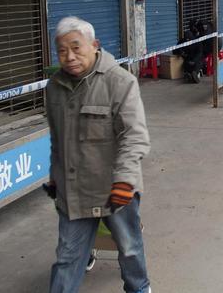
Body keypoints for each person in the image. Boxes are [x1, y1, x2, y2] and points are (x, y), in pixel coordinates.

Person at [45, 16, 151, 293]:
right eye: (62, 51)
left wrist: (124, 181)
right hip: (74, 190)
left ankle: (139, 289)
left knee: (129, 248)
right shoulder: (54, 87)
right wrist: (55, 177)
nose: (69, 57)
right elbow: (57, 140)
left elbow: (134, 136)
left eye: (76, 48)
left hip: (114, 188)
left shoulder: (120, 82)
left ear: (95, 45)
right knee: (67, 256)